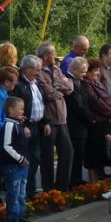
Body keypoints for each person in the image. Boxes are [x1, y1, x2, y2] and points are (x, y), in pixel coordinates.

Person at [36, 41, 74, 192]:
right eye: (53, 53)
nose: (56, 56)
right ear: (46, 56)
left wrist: (56, 87)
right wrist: (58, 89)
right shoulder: (38, 71)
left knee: (67, 151)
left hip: (62, 118)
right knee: (47, 156)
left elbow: (70, 87)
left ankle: (62, 186)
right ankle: (48, 188)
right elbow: (47, 92)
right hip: (48, 119)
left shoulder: (57, 69)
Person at [11, 55, 48, 198]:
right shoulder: (19, 85)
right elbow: (15, 109)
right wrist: (23, 125)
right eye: (37, 69)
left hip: (37, 125)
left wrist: (46, 122)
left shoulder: (35, 83)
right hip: (25, 127)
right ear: (26, 69)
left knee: (35, 159)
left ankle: (30, 190)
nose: (39, 73)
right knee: (28, 159)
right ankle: (25, 192)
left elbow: (40, 103)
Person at [0, 65, 20, 203]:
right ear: (6, 81)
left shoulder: (1, 92)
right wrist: (10, 132)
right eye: (14, 81)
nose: (16, 83)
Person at [0, 97, 31, 222]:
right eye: (20, 108)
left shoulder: (17, 124)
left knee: (21, 192)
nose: (22, 111)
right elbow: (7, 146)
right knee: (13, 192)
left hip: (22, 164)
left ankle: (20, 214)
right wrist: (19, 158)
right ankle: (12, 218)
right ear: (10, 109)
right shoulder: (9, 125)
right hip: (13, 165)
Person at [83, 58, 111, 182]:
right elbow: (96, 102)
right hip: (96, 124)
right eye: (95, 71)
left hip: (104, 121)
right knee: (93, 156)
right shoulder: (86, 84)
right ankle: (94, 184)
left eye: (98, 70)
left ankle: (100, 181)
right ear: (87, 72)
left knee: (101, 153)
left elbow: (106, 98)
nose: (98, 73)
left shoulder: (96, 82)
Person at [65, 57, 91, 188]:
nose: (84, 74)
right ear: (74, 69)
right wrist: (90, 118)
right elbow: (78, 105)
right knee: (75, 154)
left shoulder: (77, 81)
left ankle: (77, 178)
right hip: (75, 125)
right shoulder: (70, 82)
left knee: (79, 154)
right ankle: (73, 181)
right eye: (82, 72)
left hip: (81, 125)